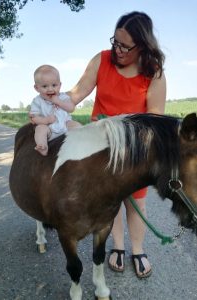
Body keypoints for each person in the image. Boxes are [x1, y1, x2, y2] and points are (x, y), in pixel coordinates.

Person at [67, 11, 166, 278]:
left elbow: (154, 119)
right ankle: (118, 246)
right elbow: (76, 94)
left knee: (136, 203)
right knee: (110, 201)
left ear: (143, 46)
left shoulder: (153, 72)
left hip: (135, 149)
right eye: (115, 42)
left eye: (125, 46)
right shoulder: (102, 59)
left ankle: (137, 249)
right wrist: (50, 98)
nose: (117, 50)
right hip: (100, 148)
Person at [29, 65, 76, 156]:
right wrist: (46, 120)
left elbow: (71, 108)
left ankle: (83, 140)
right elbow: (34, 118)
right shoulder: (37, 101)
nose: (50, 89)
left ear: (60, 85)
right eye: (45, 86)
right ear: (37, 88)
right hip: (49, 129)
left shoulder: (63, 97)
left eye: (54, 85)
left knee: (76, 125)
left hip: (66, 125)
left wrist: (58, 101)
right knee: (40, 129)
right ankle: (42, 146)